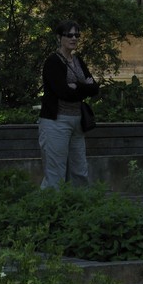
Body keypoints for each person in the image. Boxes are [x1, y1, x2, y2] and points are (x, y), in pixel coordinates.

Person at [38, 21, 99, 189]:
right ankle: (50, 211)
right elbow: (63, 92)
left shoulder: (78, 61)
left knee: (80, 171)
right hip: (56, 122)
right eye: (69, 35)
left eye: (77, 35)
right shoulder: (53, 62)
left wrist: (77, 87)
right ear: (59, 38)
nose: (74, 38)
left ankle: (79, 209)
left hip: (77, 122)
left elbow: (95, 89)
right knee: (55, 173)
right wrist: (83, 86)